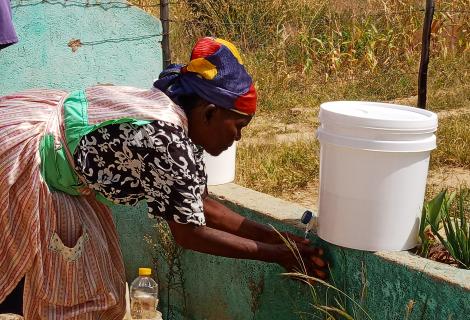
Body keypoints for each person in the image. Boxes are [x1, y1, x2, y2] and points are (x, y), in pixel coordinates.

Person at [0, 37, 326, 319]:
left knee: (88, 294)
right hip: (21, 161)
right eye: (237, 126)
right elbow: (189, 233)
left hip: (32, 132)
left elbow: (199, 204)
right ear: (210, 112)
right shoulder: (168, 143)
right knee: (25, 277)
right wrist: (278, 254)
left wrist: (276, 238)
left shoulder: (169, 110)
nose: (238, 138)